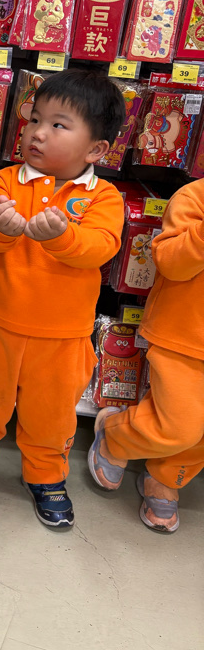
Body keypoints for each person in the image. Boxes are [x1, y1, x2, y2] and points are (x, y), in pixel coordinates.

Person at [0, 69, 125, 528]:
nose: (37, 133)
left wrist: (63, 237)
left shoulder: (103, 197)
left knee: (53, 415)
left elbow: (102, 247)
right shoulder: (4, 180)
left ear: (96, 149)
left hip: (64, 337)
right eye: (35, 120)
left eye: (58, 125)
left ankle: (46, 474)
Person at [88, 178, 204, 533]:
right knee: (179, 425)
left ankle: (166, 477)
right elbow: (171, 262)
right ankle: (116, 435)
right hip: (183, 335)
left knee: (195, 430)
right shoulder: (195, 195)